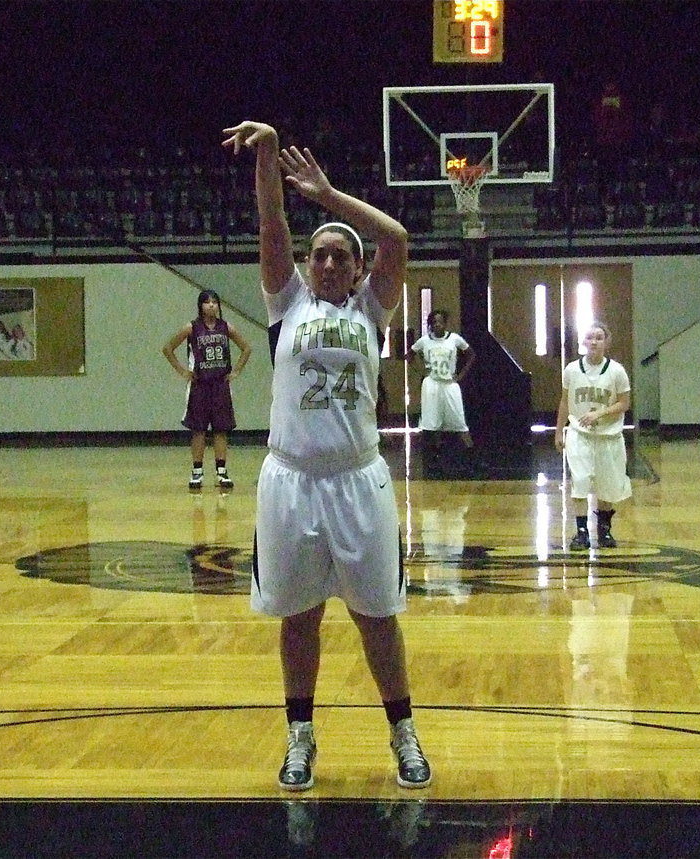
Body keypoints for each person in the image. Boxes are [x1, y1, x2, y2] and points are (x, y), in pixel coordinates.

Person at [221, 119, 431, 792]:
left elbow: (396, 237)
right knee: (298, 615)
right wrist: (267, 149)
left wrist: (330, 195)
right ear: (309, 266)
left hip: (357, 480)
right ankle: (300, 736)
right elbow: (271, 225)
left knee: (377, 617)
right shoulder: (287, 305)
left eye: (342, 254)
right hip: (291, 482)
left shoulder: (372, 308)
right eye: (322, 255)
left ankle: (403, 732)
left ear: (358, 267)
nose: (331, 261)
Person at [163, 289, 251, 490]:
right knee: (198, 430)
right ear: (200, 306)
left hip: (220, 384)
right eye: (207, 302)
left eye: (214, 302)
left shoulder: (226, 327)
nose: (211, 305)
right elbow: (168, 348)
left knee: (221, 430)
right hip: (199, 385)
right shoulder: (191, 328)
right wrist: (182, 370)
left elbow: (246, 348)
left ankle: (221, 472)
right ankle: (197, 472)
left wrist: (236, 371)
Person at [554, 322, 632, 550]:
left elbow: (625, 403)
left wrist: (601, 412)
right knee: (579, 480)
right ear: (583, 342)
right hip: (580, 434)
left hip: (609, 435)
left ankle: (604, 530)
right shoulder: (571, 370)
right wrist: (559, 430)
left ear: (606, 342)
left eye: (599, 337)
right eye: (590, 337)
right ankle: (581, 532)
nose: (594, 341)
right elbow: (564, 401)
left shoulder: (617, 371)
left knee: (607, 485)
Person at [406, 309, 475, 475]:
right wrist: (422, 372)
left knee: (459, 422)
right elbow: (409, 356)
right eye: (434, 322)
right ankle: (435, 460)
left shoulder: (454, 339)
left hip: (449, 383)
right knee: (433, 423)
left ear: (445, 323)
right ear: (430, 325)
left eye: (440, 321)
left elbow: (471, 354)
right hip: (432, 384)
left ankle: (473, 458)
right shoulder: (424, 341)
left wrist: (461, 375)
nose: (437, 324)